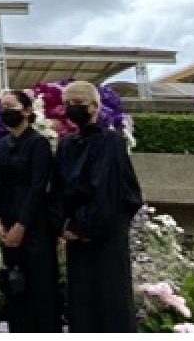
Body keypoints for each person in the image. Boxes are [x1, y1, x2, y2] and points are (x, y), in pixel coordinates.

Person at [53, 80, 143, 332]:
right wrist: (62, 225)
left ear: (94, 106)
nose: (72, 108)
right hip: (75, 237)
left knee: (110, 300)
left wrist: (83, 226)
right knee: (82, 302)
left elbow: (109, 191)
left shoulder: (110, 142)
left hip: (105, 236)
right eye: (67, 103)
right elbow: (58, 187)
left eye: (78, 103)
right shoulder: (66, 144)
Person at [0, 89, 61, 332]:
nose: (6, 112)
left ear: (27, 110)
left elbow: (38, 186)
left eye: (11, 107)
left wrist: (21, 225)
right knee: (14, 285)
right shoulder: (2, 144)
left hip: (34, 225)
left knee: (39, 287)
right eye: (2, 108)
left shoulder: (38, 143)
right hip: (8, 224)